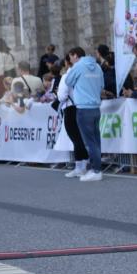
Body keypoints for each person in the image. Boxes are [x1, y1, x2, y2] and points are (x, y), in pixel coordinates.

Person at [62, 47, 104, 182]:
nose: (70, 60)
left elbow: (68, 81)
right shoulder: (97, 66)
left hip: (83, 108)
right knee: (96, 141)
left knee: (89, 142)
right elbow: (101, 85)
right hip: (96, 107)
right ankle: (96, 169)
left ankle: (96, 170)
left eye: (70, 57)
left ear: (75, 56)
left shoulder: (78, 67)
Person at [56, 55, 89, 178]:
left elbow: (62, 96)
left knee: (76, 138)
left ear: (66, 63)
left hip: (71, 108)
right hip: (83, 106)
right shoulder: (84, 74)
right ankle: (82, 165)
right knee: (81, 137)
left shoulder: (66, 76)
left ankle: (79, 167)